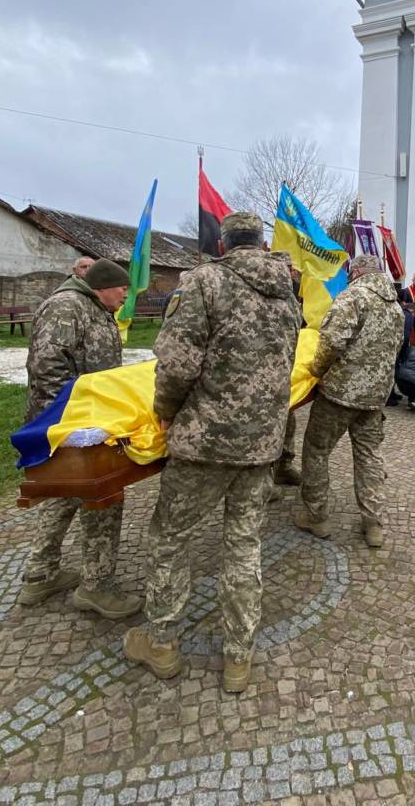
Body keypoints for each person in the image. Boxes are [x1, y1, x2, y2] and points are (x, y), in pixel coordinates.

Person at [123, 212, 301, 690]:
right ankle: (238, 658)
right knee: (243, 547)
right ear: (261, 243)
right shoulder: (286, 290)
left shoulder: (204, 281)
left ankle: (161, 644)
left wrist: (164, 410)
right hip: (261, 444)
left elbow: (177, 362)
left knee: (170, 538)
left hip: (204, 442)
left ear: (223, 244)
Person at [18, 258, 142, 619]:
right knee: (101, 497)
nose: (125, 295)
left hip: (83, 424)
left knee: (65, 493)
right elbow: (46, 366)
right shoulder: (66, 307)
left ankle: (40, 575)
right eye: (122, 288)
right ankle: (97, 586)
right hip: (71, 426)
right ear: (102, 286)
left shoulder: (93, 307)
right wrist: (74, 420)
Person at [295, 254, 404, 548]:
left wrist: (316, 370)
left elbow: (330, 342)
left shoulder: (352, 298)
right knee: (369, 456)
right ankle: (373, 524)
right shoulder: (395, 307)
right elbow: (396, 349)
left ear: (355, 272)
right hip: (375, 397)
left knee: (316, 449)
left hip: (340, 394)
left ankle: (316, 516)